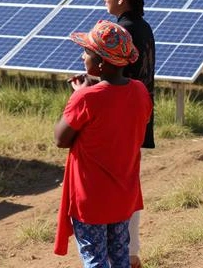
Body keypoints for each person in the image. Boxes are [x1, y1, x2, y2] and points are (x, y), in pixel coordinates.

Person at [53, 20, 152, 268]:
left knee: (95, 260)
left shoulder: (86, 98)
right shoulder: (140, 91)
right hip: (123, 196)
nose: (82, 55)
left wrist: (78, 94)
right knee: (120, 258)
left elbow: (60, 139)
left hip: (91, 199)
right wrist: (89, 91)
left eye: (87, 52)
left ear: (100, 63)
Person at [105, 0, 156, 268]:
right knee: (128, 183)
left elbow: (116, 79)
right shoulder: (143, 26)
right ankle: (131, 252)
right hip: (139, 116)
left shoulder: (121, 31)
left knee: (117, 187)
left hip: (121, 120)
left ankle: (121, 255)